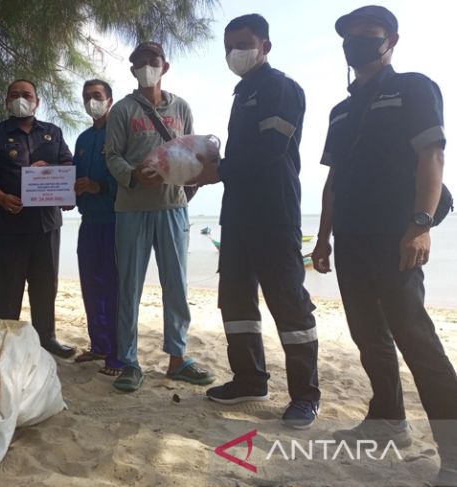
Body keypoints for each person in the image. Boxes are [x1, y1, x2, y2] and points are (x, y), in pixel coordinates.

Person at [312, 6, 457, 484]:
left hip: (396, 234)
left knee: (414, 336)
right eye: (349, 37)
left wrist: (420, 224)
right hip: (350, 236)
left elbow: (431, 154)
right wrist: (323, 239)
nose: (357, 43)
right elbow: (334, 180)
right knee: (368, 334)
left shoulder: (413, 87)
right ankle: (388, 420)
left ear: (390, 39)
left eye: (368, 35)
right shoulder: (342, 109)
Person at [198, 14, 321, 429]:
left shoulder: (280, 88)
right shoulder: (242, 92)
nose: (236, 52)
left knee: (288, 302)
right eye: (229, 46)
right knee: (235, 301)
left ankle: (305, 395)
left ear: (265, 45)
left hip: (274, 213)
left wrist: (216, 170)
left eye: (244, 43)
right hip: (237, 215)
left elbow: (271, 150)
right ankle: (250, 379)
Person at [105, 42, 213, 392]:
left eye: (154, 62)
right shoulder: (122, 110)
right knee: (129, 286)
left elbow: (191, 155)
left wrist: (189, 188)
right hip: (132, 208)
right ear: (132, 69)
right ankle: (129, 361)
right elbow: (112, 156)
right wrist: (134, 175)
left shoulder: (181, 107)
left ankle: (178, 358)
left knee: (177, 286)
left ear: (164, 67)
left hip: (172, 208)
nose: (147, 67)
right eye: (140, 63)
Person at [0, 79, 76, 359]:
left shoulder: (52, 133)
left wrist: (54, 174)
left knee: (45, 285)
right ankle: (4, 341)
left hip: (46, 224)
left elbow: (68, 166)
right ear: (6, 101)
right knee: (7, 286)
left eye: (27, 95)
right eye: (15, 95)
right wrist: (0, 197)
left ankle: (47, 338)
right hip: (8, 224)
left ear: (37, 101)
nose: (21, 99)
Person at [73, 79, 125, 376]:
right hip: (87, 221)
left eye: (97, 96)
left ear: (109, 100)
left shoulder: (119, 135)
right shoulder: (82, 139)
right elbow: (73, 179)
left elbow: (126, 179)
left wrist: (98, 186)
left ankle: (117, 355)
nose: (92, 101)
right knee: (90, 285)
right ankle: (99, 345)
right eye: (87, 97)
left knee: (114, 288)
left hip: (115, 221)